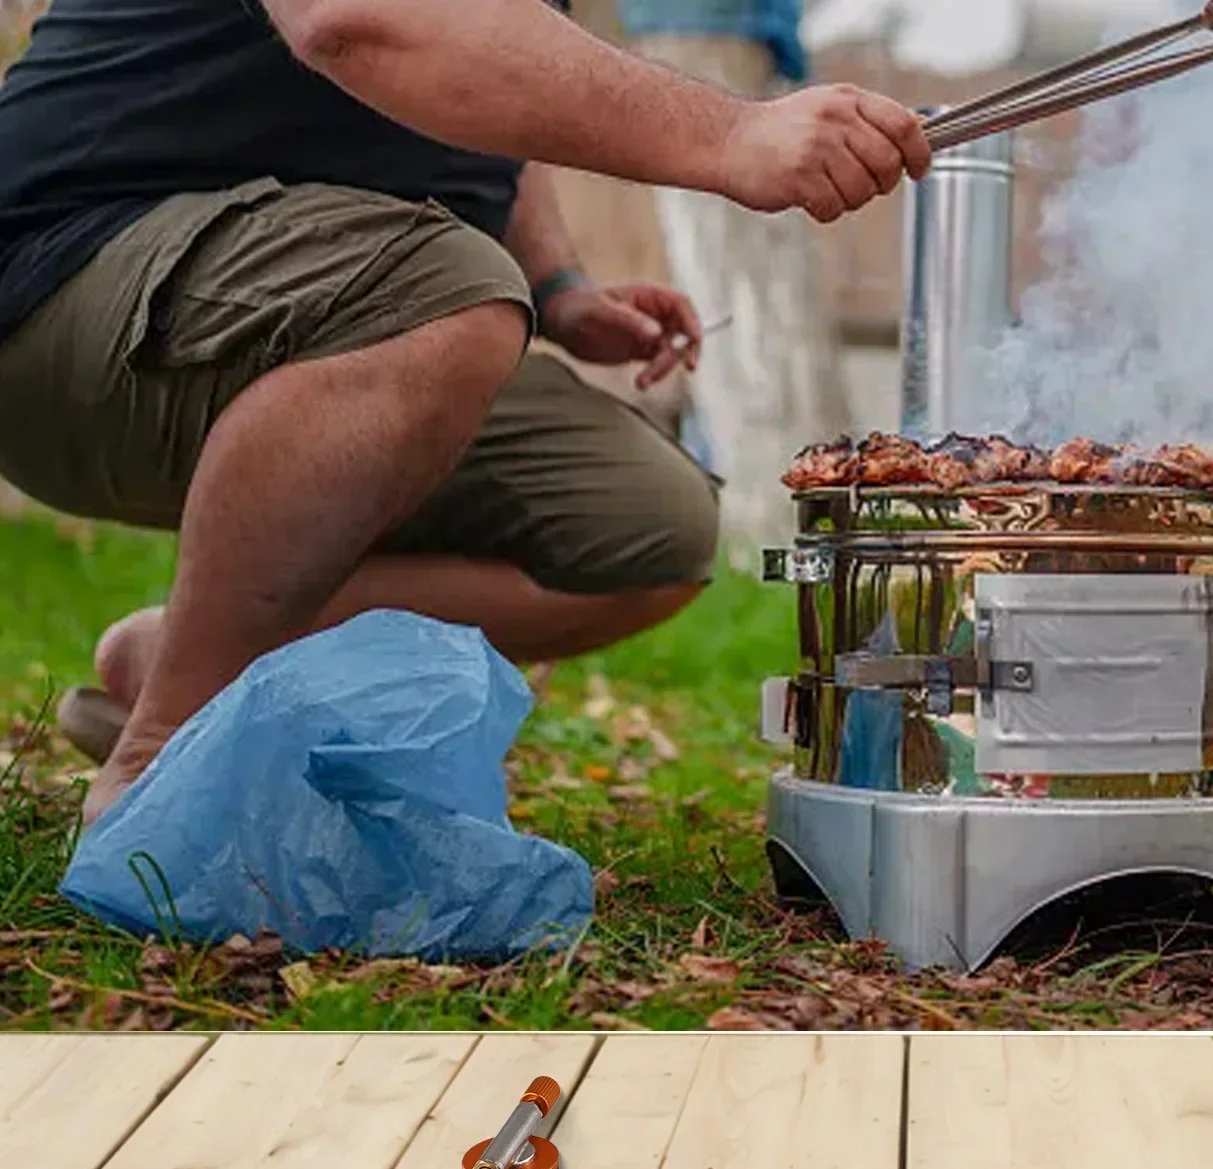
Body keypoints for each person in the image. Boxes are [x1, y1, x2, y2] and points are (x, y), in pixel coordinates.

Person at [0, 0, 930, 824]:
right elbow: (363, 17)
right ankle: (159, 764)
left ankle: (190, 657)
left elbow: (503, 76)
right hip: (64, 286)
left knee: (647, 529)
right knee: (443, 294)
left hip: (306, 306)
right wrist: (731, 138)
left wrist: (560, 286)